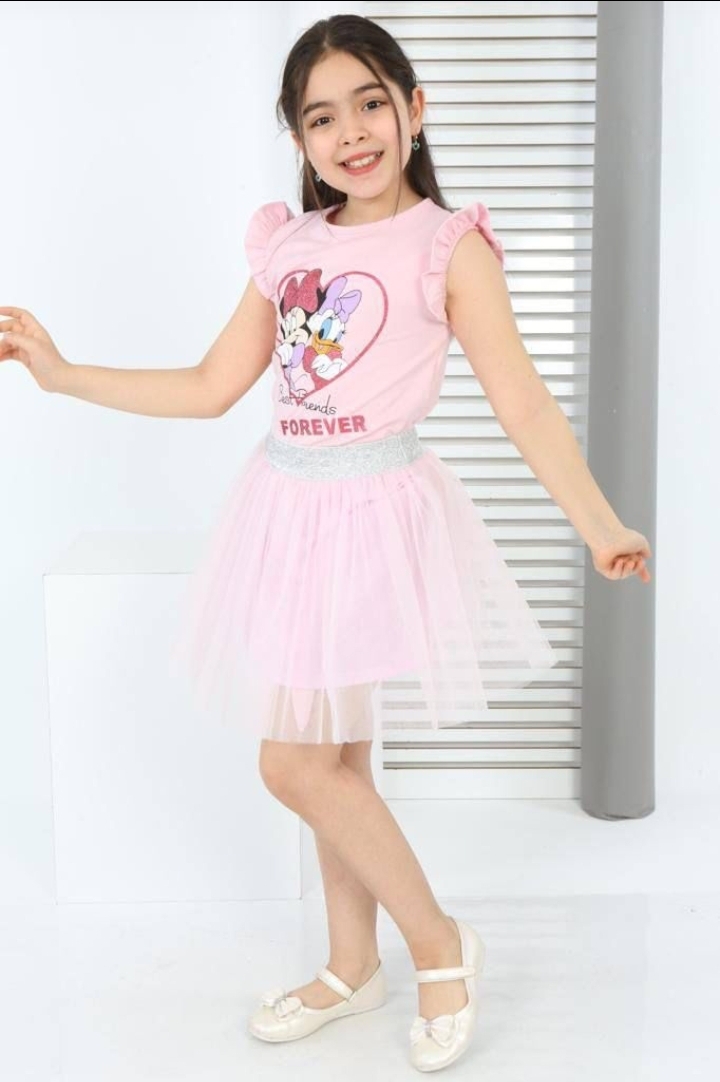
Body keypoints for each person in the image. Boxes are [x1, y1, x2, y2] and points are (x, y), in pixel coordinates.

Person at [0, 12, 652, 1073]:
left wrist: (600, 522)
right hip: (289, 513)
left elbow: (524, 403)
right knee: (333, 758)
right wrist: (64, 375)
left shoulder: (448, 246)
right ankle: (354, 963)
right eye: (320, 117)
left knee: (293, 761)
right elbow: (212, 385)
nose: (349, 132)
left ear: (413, 109)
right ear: (299, 139)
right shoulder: (291, 246)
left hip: (374, 518)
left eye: (369, 104)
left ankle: (438, 944)